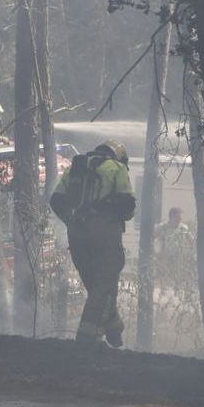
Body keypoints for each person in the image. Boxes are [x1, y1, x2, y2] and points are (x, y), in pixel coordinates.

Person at [50, 139, 135, 348]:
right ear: (118, 156)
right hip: (104, 232)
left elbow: (56, 200)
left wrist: (71, 221)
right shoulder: (117, 168)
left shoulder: (74, 168)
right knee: (104, 285)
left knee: (96, 286)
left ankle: (113, 328)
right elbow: (127, 205)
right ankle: (87, 338)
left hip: (76, 233)